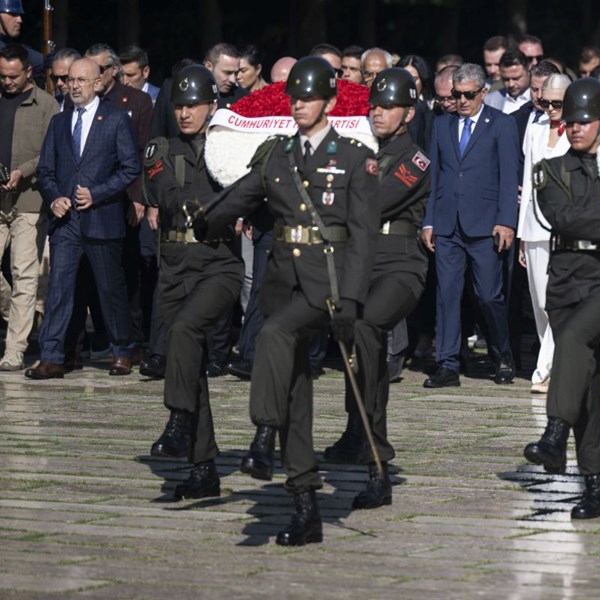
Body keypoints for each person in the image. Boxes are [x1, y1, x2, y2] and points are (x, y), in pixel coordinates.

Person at [192, 56, 379, 545]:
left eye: (310, 98)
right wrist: (205, 219)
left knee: (272, 334)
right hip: (282, 282)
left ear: (331, 103)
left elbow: (361, 237)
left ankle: (262, 434)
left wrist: (353, 303)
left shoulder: (355, 158)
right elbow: (244, 195)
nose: (299, 105)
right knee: (296, 390)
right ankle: (305, 506)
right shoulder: (277, 154)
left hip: (328, 285)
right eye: (294, 98)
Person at [523, 77, 600, 520]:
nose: (574, 128)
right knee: (586, 389)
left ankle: (554, 434)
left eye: (584, 121)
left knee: (571, 342)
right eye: (569, 120)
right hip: (567, 280)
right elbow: (564, 219)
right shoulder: (550, 169)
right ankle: (596, 488)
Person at [324, 68, 430, 510]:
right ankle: (355, 431)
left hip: (400, 266)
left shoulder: (414, 160)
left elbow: (373, 200)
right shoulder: (362, 153)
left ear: (408, 113)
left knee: (368, 326)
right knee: (349, 338)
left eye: (388, 107)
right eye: (374, 106)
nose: (378, 113)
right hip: (360, 264)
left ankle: (376, 452)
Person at [144, 66, 243, 499]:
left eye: (193, 105)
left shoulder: (234, 152)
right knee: (190, 366)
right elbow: (167, 195)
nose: (185, 113)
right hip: (175, 266)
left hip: (219, 264)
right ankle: (203, 468)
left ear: (212, 107)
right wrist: (217, 203)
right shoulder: (159, 149)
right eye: (179, 106)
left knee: (186, 332)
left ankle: (178, 418)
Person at [26, 58, 139, 380]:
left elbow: (130, 168)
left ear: (97, 83)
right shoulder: (60, 123)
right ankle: (52, 356)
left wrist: (97, 193)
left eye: (81, 80)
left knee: (110, 289)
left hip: (101, 218)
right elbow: (46, 170)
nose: (73, 86)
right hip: (66, 223)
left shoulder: (116, 119)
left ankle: (122, 350)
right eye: (70, 80)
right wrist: (54, 196)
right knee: (59, 289)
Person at [420, 63, 520, 387]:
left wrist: (506, 221)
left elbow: (508, 177)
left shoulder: (501, 125)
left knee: (488, 296)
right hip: (448, 223)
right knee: (446, 293)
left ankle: (502, 354)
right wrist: (429, 220)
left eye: (468, 95)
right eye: (456, 95)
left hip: (485, 224)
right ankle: (447, 362)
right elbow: (435, 176)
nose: (461, 101)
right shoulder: (443, 124)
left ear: (483, 92)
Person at [0, 44, 55, 370]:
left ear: (27, 73)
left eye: (12, 76)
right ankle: (25, 315)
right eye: (2, 76)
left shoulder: (46, 105)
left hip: (30, 200)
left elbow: (51, 150)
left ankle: (14, 350)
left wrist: (25, 170)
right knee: (21, 289)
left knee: (23, 274)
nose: (6, 82)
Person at [517, 73, 572, 394]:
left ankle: (547, 370)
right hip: (535, 224)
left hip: (565, 227)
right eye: (544, 102)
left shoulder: (581, 129)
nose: (550, 108)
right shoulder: (535, 126)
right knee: (539, 302)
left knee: (556, 300)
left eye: (557, 103)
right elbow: (527, 176)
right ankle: (549, 362)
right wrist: (523, 232)